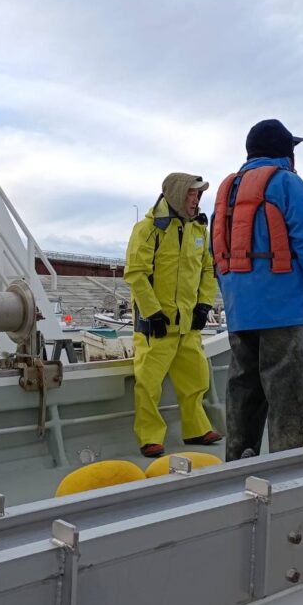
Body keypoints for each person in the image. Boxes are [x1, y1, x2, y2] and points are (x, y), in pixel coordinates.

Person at [212, 119, 303, 460]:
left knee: (244, 390)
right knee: (288, 396)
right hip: (283, 311)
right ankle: (289, 467)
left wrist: (234, 298)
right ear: (287, 153)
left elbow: (217, 253)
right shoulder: (288, 183)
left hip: (240, 312)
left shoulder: (227, 191)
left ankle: (237, 463)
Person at [125, 172, 223, 458]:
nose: (196, 199)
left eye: (199, 194)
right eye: (192, 193)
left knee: (196, 377)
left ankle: (196, 429)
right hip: (156, 326)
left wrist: (204, 305)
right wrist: (152, 312)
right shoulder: (148, 229)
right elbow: (136, 273)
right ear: (177, 194)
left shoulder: (198, 230)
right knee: (148, 383)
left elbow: (208, 269)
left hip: (187, 325)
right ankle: (150, 436)